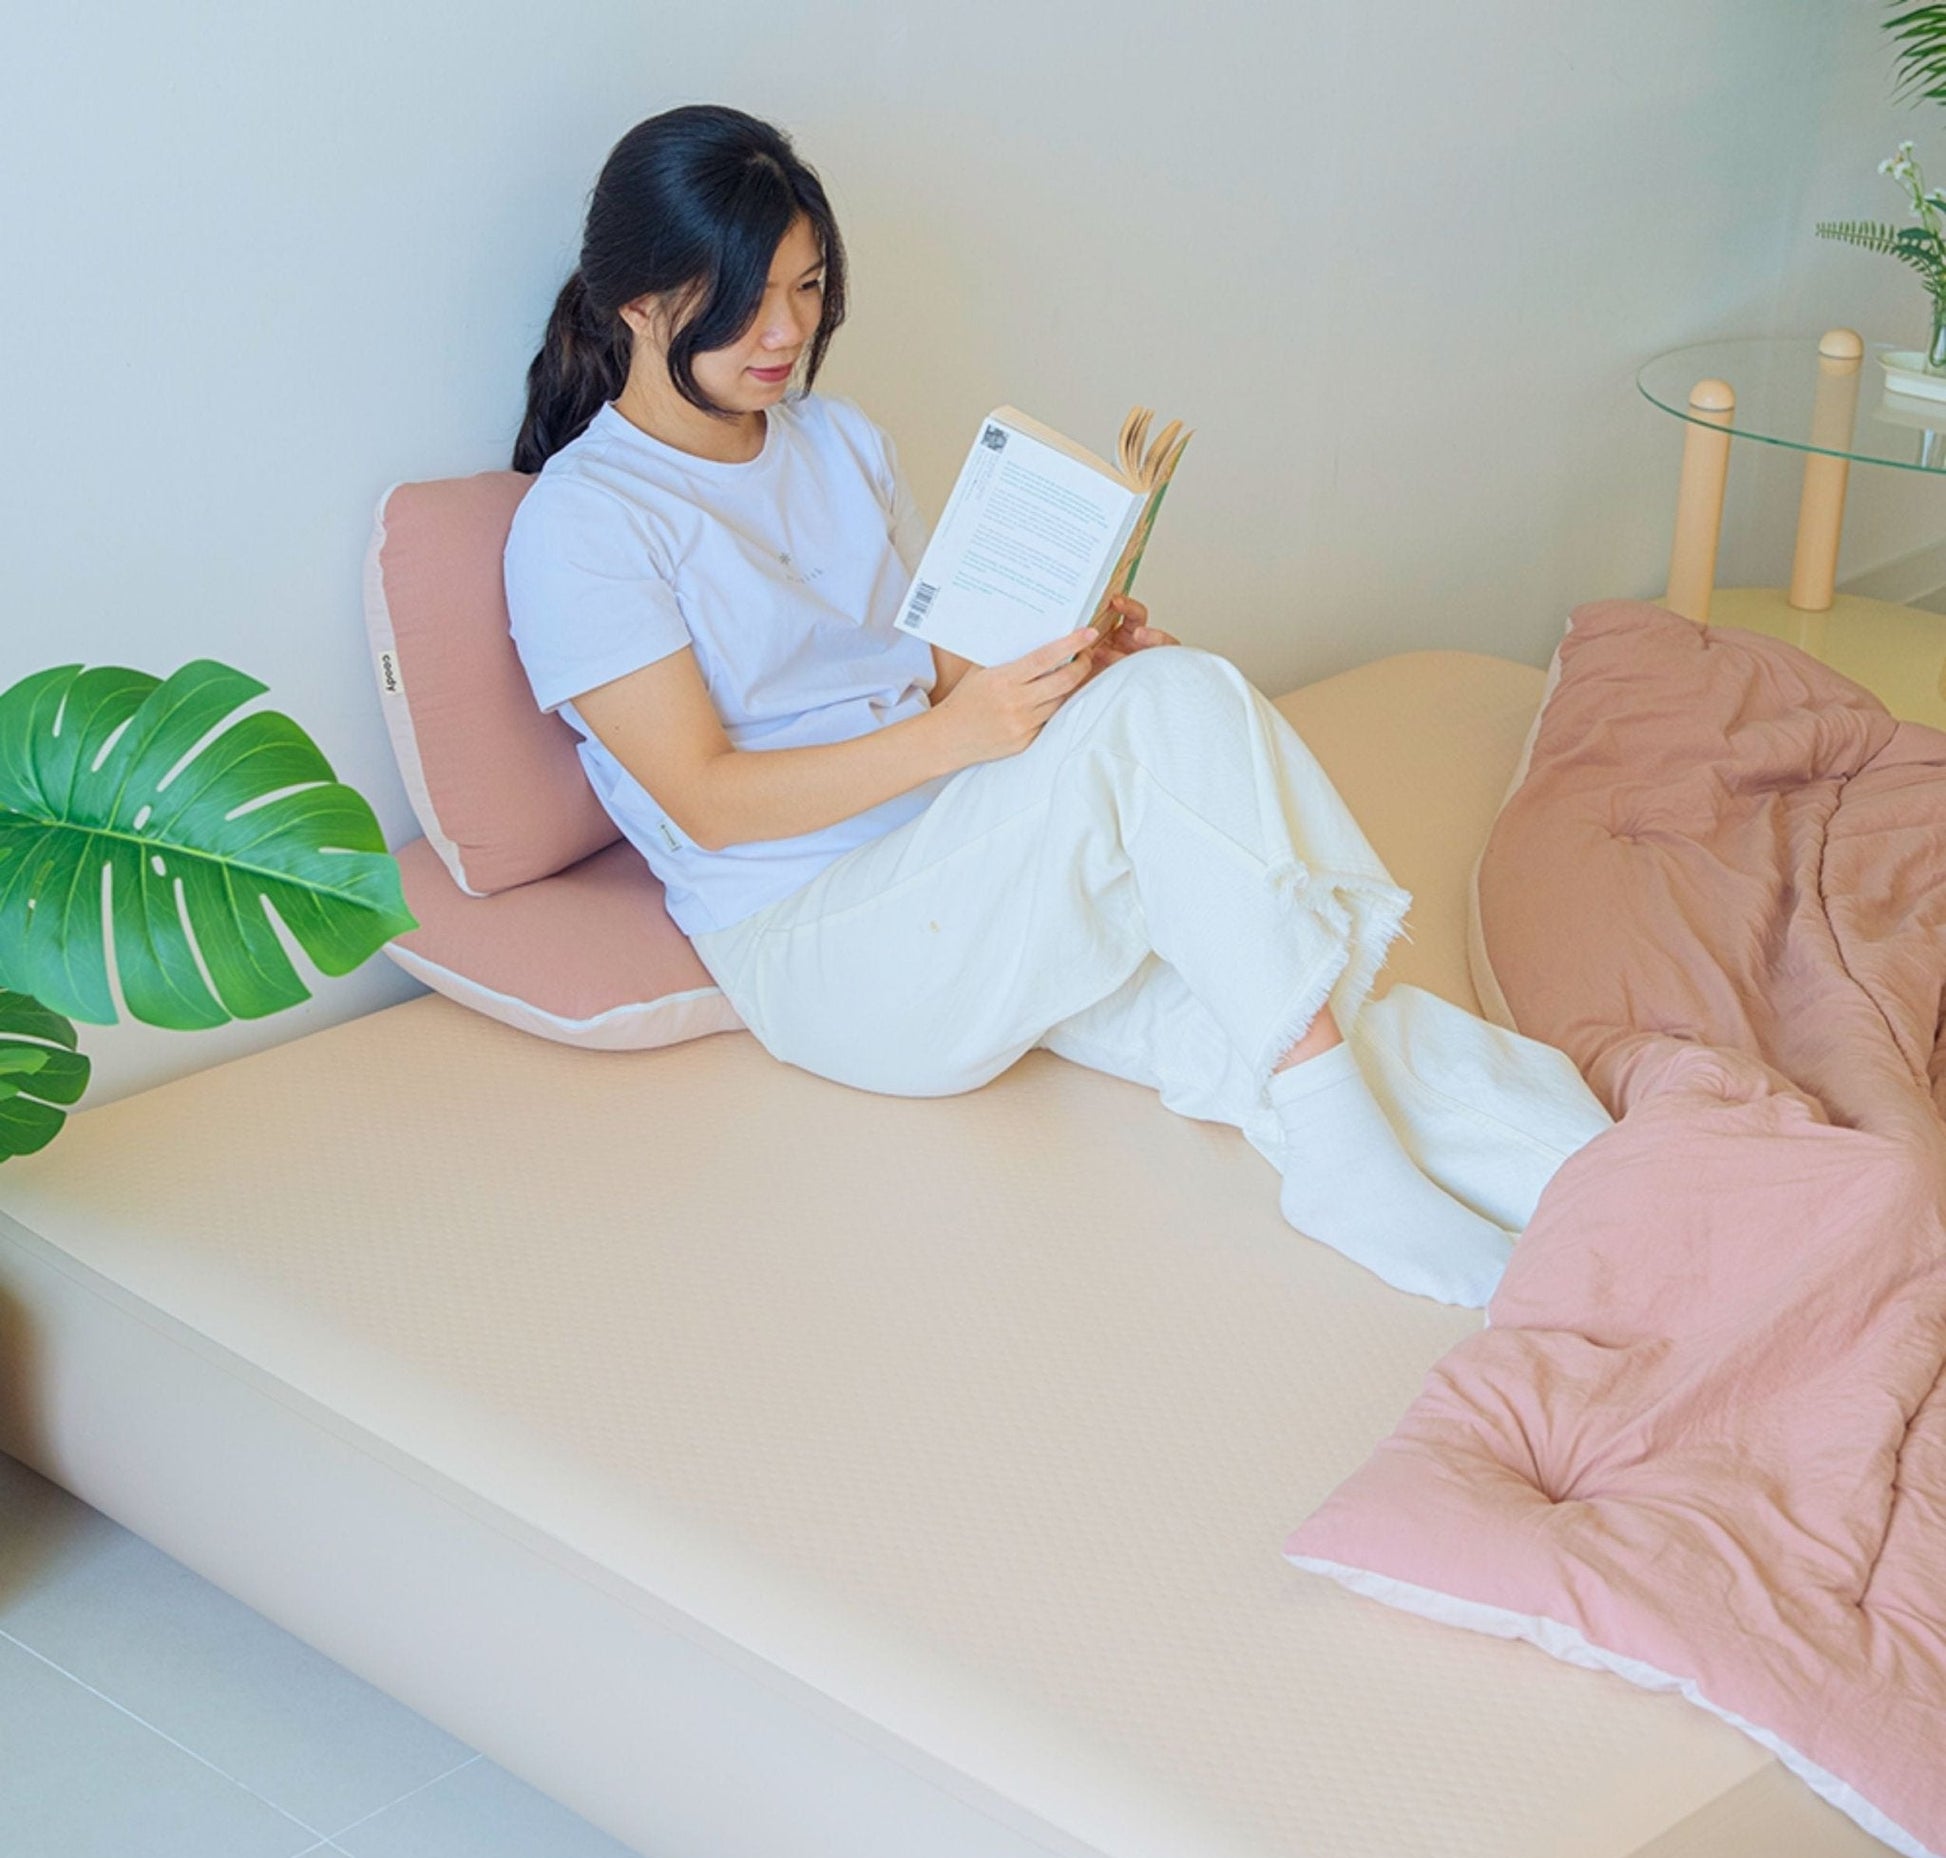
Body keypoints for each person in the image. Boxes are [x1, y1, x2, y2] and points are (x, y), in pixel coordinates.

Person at [504, 105, 1610, 1309]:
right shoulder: (585, 520)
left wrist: (1075, 662)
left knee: (1279, 1011)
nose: (785, 332)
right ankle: (1350, 1166)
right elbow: (706, 802)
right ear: (637, 302)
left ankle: (1644, 1188)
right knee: (1178, 718)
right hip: (820, 950)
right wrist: (963, 735)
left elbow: (939, 679)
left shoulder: (837, 441)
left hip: (963, 864)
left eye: (807, 288)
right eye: (742, 301)